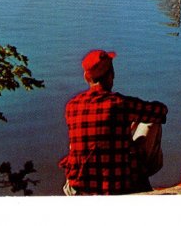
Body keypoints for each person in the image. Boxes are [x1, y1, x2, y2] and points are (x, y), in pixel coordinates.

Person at [59, 49, 168, 195]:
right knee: (152, 122)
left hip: (78, 188)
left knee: (79, 139)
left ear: (86, 77)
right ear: (112, 75)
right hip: (117, 187)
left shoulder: (71, 106)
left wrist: (127, 123)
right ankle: (144, 178)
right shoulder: (121, 104)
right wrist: (133, 118)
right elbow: (161, 111)